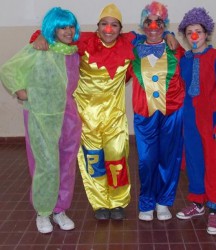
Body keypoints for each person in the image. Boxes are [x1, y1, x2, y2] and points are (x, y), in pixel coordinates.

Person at [30, 3, 178, 220]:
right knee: (93, 162)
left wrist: (169, 32)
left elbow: (153, 31)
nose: (109, 29)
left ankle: (117, 202)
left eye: (114, 25)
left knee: (117, 160)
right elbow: (55, 35)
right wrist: (39, 36)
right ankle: (100, 203)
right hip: (86, 118)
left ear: (120, 28)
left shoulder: (130, 42)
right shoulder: (83, 41)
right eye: (104, 24)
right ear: (97, 26)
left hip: (114, 117)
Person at [0, 7, 82, 234]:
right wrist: (20, 91)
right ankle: (43, 212)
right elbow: (8, 70)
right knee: (45, 165)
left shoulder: (73, 52)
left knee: (66, 164)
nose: (67, 31)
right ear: (52, 29)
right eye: (62, 27)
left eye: (70, 26)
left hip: (68, 116)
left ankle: (60, 210)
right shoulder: (38, 48)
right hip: (41, 117)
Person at [176, 7, 216, 235]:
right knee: (195, 161)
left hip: (211, 119)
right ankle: (198, 203)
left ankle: (215, 210)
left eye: (198, 31)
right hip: (190, 118)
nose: (194, 36)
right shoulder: (185, 60)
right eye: (189, 32)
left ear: (206, 33)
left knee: (215, 163)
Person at [127, 1, 185, 221]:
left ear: (165, 25)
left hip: (172, 111)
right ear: (142, 25)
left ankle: (163, 202)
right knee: (146, 159)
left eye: (159, 23)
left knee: (169, 158)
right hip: (144, 113)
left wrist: (171, 34)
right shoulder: (133, 47)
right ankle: (146, 202)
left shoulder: (175, 48)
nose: (153, 27)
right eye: (148, 22)